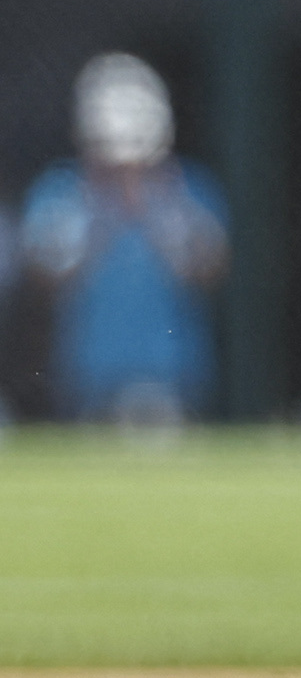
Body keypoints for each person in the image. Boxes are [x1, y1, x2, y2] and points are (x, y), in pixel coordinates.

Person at [16, 54, 226, 424]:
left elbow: (210, 269)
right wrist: (101, 213)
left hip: (169, 373)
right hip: (85, 374)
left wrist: (157, 206)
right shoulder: (60, 190)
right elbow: (42, 277)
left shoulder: (189, 187)